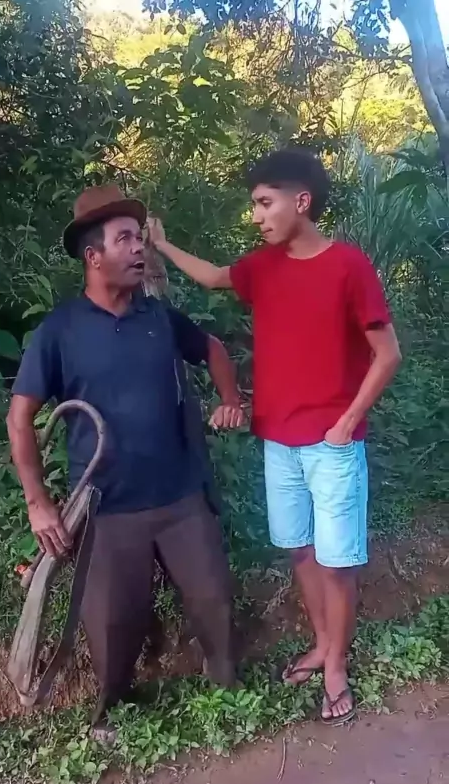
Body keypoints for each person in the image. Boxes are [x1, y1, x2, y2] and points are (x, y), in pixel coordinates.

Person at [148, 148, 402, 726]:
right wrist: (162, 246)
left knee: (337, 562)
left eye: (265, 203)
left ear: (301, 201)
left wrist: (346, 423)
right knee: (300, 550)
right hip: (279, 443)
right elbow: (215, 276)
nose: (257, 216)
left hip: (332, 445)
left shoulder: (348, 266)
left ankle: (336, 666)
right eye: (255, 205)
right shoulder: (263, 266)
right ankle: (322, 643)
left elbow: (387, 354)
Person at [7, 184, 244, 737]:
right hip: (107, 510)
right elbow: (20, 419)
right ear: (94, 256)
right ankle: (111, 708)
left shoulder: (157, 317)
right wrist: (38, 503)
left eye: (139, 238)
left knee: (213, 600)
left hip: (181, 497)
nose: (139, 248)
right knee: (112, 626)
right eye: (125, 240)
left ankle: (228, 688)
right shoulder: (59, 331)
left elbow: (212, 349)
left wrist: (231, 399)